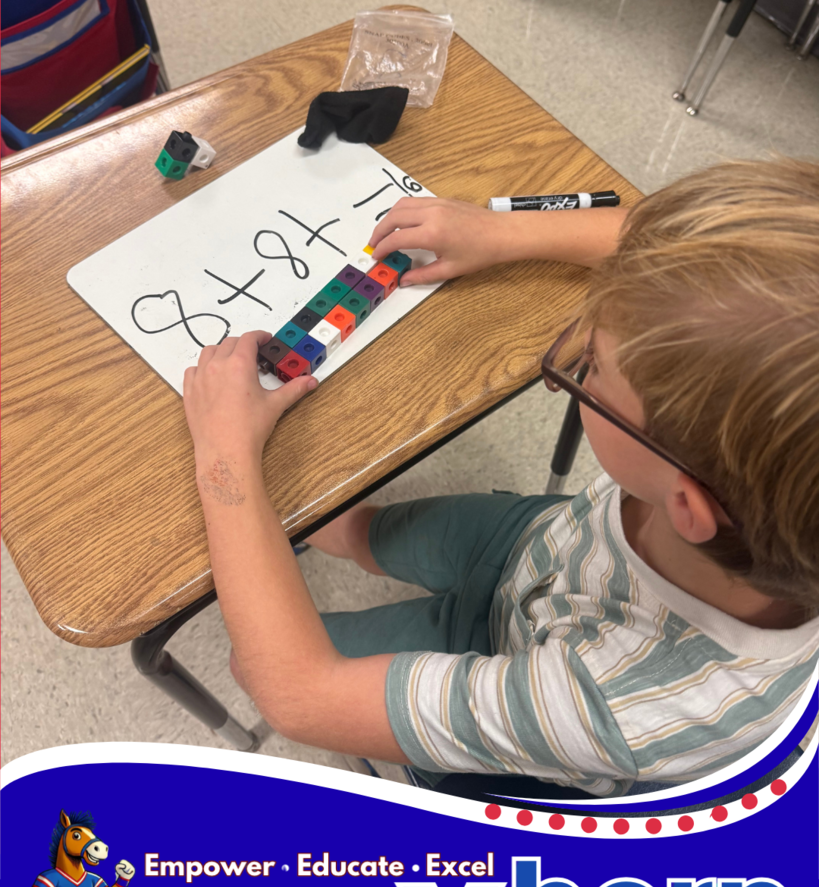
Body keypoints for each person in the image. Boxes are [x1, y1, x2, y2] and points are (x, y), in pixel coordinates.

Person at [182, 157, 819, 796]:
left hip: (512, 666)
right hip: (544, 543)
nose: (575, 362)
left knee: (249, 660)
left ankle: (394, 771)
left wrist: (223, 453)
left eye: (591, 367)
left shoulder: (614, 706)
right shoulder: (746, 494)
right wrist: (502, 230)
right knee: (353, 529)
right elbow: (666, 252)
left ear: (687, 505)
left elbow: (300, 696)